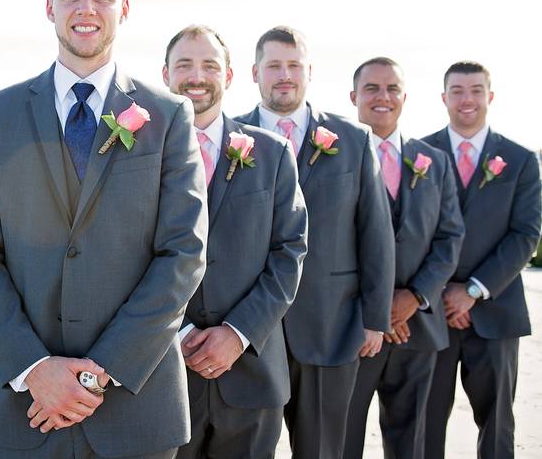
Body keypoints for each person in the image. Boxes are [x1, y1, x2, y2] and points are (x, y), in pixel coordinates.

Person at [0, 0, 208, 458]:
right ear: (50, 7)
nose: (85, 9)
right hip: (24, 403)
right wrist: (34, 368)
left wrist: (103, 370)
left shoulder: (168, 115)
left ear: (124, 9)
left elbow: (183, 253)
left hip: (134, 402)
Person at [235, 26, 394, 459]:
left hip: (332, 325)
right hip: (247, 331)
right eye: (273, 66)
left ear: (309, 72)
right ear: (254, 73)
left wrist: (375, 317)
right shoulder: (232, 137)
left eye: (293, 65)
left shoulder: (355, 140)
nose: (284, 75)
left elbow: (375, 233)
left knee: (325, 450)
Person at [162, 25, 307, 459]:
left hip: (251, 369)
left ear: (227, 77)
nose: (196, 75)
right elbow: (122, 255)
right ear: (165, 73)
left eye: (209, 65)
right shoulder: (137, 154)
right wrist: (180, 331)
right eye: (184, 64)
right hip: (164, 372)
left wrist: (237, 333)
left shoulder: (273, 153)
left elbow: (289, 252)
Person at [343, 57, 464, 459]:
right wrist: (377, 310)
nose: (383, 97)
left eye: (392, 88)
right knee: (343, 439)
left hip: (418, 328)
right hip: (353, 328)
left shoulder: (434, 160)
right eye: (372, 88)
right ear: (353, 97)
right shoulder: (333, 157)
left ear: (405, 97)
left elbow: (449, 238)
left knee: (411, 442)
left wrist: (414, 298)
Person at [422, 61, 542, 458]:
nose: (466, 99)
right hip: (430, 312)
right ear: (444, 98)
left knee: (496, 423)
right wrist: (440, 291)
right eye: (456, 90)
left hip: (497, 310)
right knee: (424, 419)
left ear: (489, 96)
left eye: (475, 90)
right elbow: (408, 233)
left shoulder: (521, 160)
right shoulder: (419, 155)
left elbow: (526, 233)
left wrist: (472, 291)